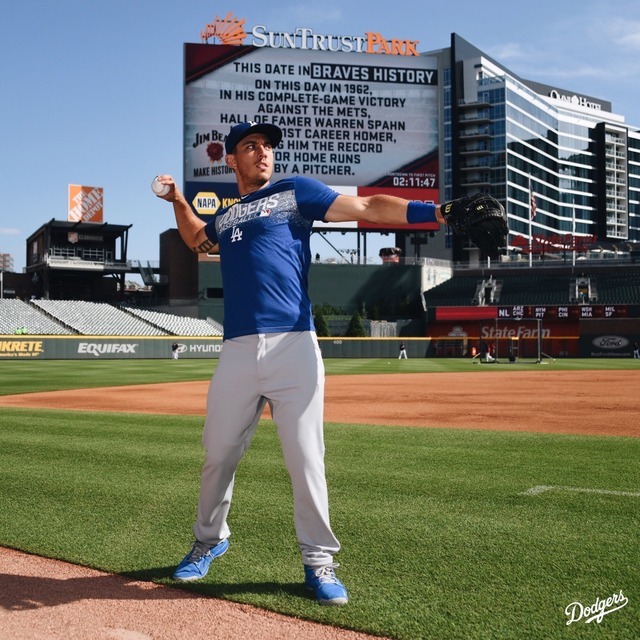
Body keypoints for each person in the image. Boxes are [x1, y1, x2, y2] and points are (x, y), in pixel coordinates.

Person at [154, 121, 449, 606]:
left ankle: (319, 562)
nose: (263, 153)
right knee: (217, 455)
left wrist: (436, 210)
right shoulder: (227, 219)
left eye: (268, 146)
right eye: (251, 146)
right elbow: (196, 241)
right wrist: (178, 202)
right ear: (231, 160)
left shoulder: (294, 192)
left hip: (294, 343)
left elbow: (369, 207)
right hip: (239, 350)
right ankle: (209, 541)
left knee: (306, 459)